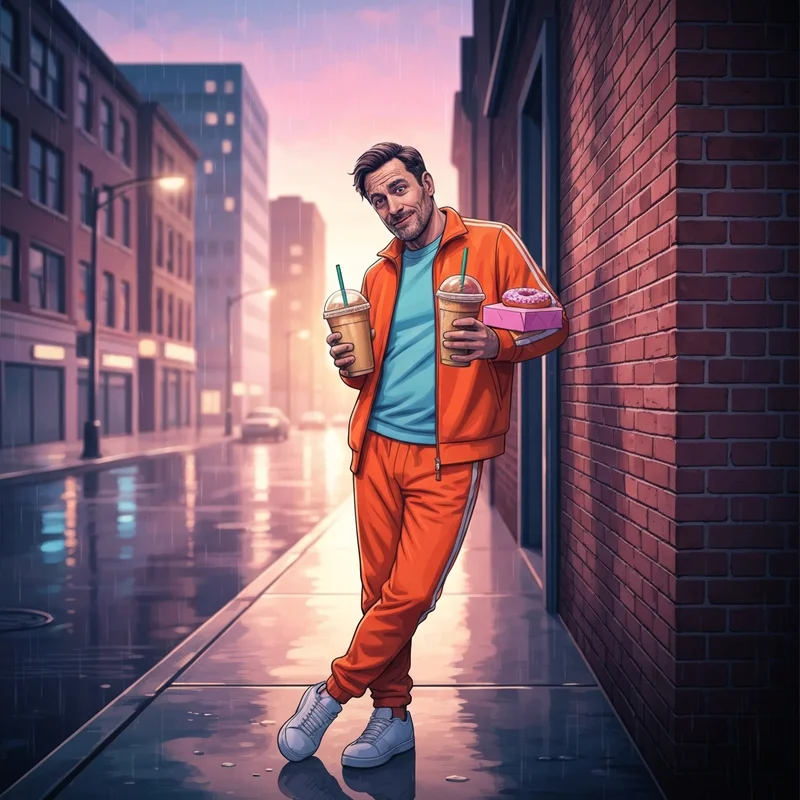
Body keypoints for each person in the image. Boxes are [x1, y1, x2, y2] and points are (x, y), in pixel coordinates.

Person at [277, 142, 569, 769]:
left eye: (399, 190)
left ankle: (329, 694)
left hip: (448, 455)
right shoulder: (377, 276)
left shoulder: (491, 244)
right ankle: (392, 718)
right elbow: (368, 375)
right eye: (378, 199)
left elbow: (551, 320)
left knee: (410, 593)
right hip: (376, 448)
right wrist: (347, 366)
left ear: (426, 184)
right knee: (378, 591)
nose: (392, 207)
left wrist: (496, 340)